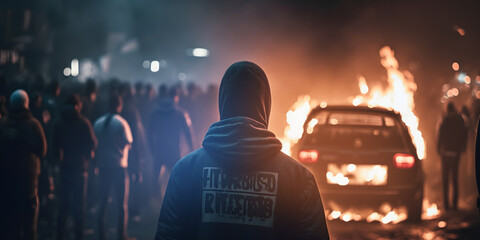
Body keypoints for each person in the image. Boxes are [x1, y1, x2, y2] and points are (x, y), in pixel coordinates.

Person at [155, 62, 329, 240]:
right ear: (266, 104)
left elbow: (168, 234)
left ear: (222, 102)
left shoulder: (185, 170)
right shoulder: (298, 178)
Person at [0, 89, 47, 240]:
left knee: (10, 226)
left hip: (6, 183)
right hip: (29, 184)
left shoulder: (3, 124)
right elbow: (43, 151)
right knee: (29, 226)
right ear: (27, 104)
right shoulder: (34, 125)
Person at [52, 94, 97, 240]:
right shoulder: (83, 122)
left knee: (63, 208)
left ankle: (60, 236)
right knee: (79, 209)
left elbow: (54, 146)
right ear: (77, 106)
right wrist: (86, 157)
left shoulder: (59, 122)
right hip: (80, 169)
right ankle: (79, 236)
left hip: (64, 169)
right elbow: (92, 144)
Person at [93, 94, 134, 240]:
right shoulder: (121, 123)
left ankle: (101, 234)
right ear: (119, 106)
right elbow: (128, 142)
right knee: (121, 203)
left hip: (103, 166)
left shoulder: (98, 122)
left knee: (103, 201)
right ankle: (121, 234)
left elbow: (94, 144)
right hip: (119, 166)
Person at [148, 87, 194, 197]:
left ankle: (157, 203)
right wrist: (192, 148)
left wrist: (152, 149)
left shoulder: (155, 112)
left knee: (156, 179)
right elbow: (188, 133)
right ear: (176, 97)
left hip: (159, 150)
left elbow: (149, 132)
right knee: (177, 180)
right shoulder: (181, 113)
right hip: (175, 151)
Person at [437, 102, 468, 211]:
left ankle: (446, 205)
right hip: (456, 153)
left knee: (445, 179)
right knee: (455, 178)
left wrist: (438, 150)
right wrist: (462, 148)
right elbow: (464, 134)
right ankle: (454, 205)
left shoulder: (445, 120)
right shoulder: (460, 120)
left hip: (446, 153)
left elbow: (440, 136)